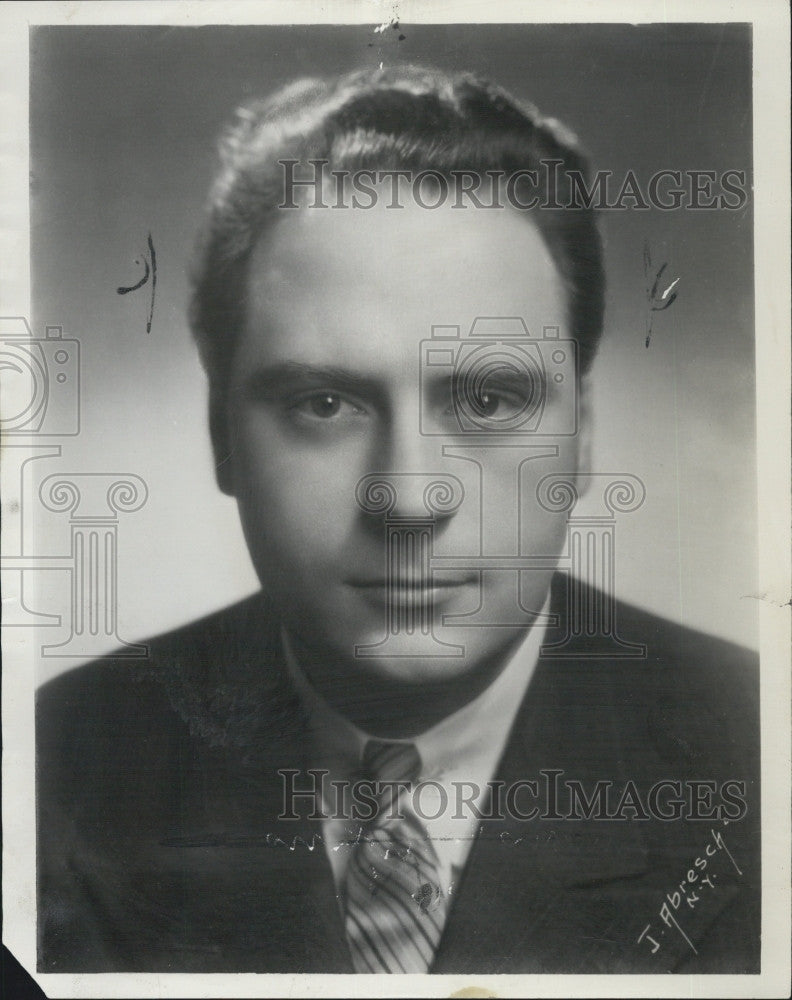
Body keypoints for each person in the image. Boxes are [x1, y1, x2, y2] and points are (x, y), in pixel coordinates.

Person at [36, 65, 759, 975]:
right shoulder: (49, 766)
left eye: (491, 399)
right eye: (324, 403)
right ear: (220, 437)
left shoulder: (759, 755)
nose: (411, 500)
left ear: (582, 436)